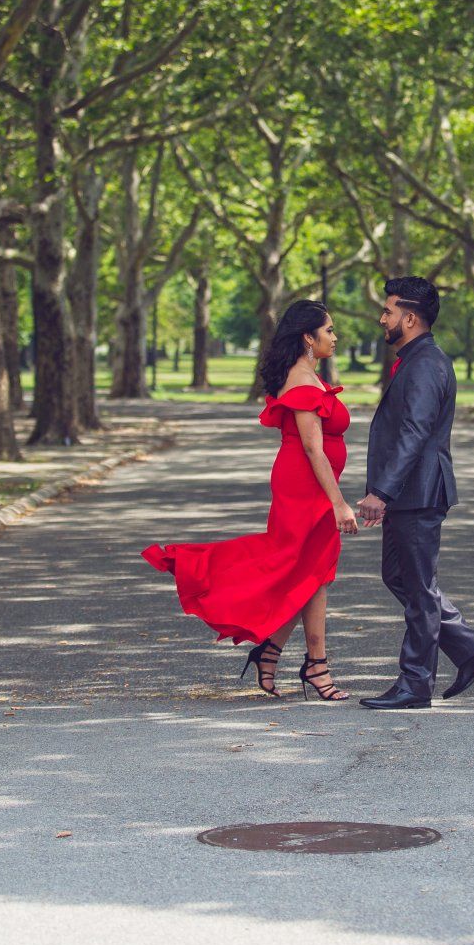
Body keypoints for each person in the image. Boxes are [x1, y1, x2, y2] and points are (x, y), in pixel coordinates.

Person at [142, 300, 358, 702]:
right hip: (304, 486)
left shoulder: (308, 377)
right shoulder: (303, 384)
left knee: (310, 573)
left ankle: (282, 655)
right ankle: (313, 663)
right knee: (299, 568)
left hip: (309, 483)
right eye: (329, 329)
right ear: (308, 338)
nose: (335, 336)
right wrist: (338, 502)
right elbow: (314, 450)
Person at [354, 277, 474, 711]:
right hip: (410, 492)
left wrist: (381, 491)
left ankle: (415, 684)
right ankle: (471, 649)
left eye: (388, 312)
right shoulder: (415, 359)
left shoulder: (425, 363)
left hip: (417, 491)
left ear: (410, 317)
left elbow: (414, 433)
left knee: (418, 588)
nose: (382, 318)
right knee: (401, 578)